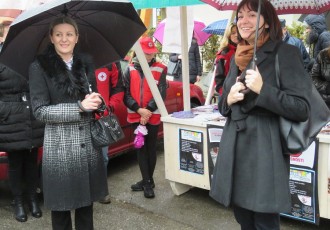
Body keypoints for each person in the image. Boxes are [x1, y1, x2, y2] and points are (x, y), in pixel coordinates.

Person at [209, 0, 312, 229]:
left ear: (266, 21)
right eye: (240, 16)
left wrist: (263, 90)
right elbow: (224, 107)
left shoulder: (285, 53)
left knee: (264, 219)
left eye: (252, 15)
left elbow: (302, 108)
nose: (244, 21)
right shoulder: (238, 56)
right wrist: (228, 98)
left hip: (265, 147)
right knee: (242, 216)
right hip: (235, 144)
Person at [29, 17, 108, 230]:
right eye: (59, 34)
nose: (64, 39)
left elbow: (92, 99)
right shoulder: (40, 67)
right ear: (51, 38)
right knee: (61, 209)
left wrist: (97, 102)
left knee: (86, 208)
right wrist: (79, 107)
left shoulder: (84, 64)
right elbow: (40, 111)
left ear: (77, 37)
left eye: (69, 34)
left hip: (88, 147)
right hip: (60, 150)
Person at [0, 63, 44, 222]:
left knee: (32, 163)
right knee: (15, 164)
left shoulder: (32, 60)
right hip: (11, 121)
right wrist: (6, 110)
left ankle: (32, 199)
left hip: (32, 118)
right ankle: (18, 202)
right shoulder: (3, 59)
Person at [123, 37, 167, 199]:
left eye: (151, 53)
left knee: (150, 148)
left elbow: (161, 92)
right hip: (136, 115)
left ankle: (148, 181)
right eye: (146, 53)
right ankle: (147, 181)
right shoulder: (129, 69)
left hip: (152, 115)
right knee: (140, 149)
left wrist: (148, 110)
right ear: (139, 53)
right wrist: (139, 110)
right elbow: (125, 94)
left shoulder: (161, 68)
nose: (149, 56)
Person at [94, 61, 124, 204]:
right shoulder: (74, 57)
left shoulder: (111, 62)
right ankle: (83, 191)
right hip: (80, 117)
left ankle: (101, 190)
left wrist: (109, 107)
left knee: (103, 158)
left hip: (102, 118)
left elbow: (118, 88)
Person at [214, 22, 239, 95]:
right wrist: (224, 93)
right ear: (228, 36)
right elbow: (219, 77)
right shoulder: (224, 53)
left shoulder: (246, 50)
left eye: (238, 32)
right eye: (233, 33)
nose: (236, 35)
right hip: (227, 92)